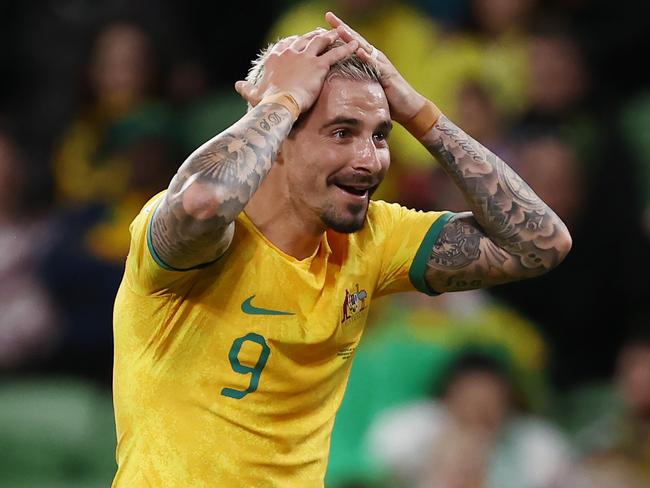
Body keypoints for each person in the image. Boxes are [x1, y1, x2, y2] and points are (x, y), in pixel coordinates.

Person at [112, 12, 571, 487]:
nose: (369, 160)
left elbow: (541, 244)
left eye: (379, 134)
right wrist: (283, 99)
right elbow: (204, 203)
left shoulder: (372, 237)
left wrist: (418, 112)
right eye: (341, 133)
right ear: (276, 135)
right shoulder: (198, 237)